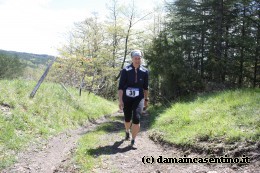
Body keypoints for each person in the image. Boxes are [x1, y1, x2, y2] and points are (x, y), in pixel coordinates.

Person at [118, 49, 149, 147]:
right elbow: (120, 87)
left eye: (139, 58)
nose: (137, 60)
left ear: (141, 59)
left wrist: (146, 99)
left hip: (139, 98)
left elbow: (145, 87)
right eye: (135, 58)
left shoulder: (145, 71)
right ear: (132, 59)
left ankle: (133, 140)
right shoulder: (125, 70)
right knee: (127, 119)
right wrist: (120, 100)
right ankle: (127, 131)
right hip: (127, 98)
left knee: (136, 118)